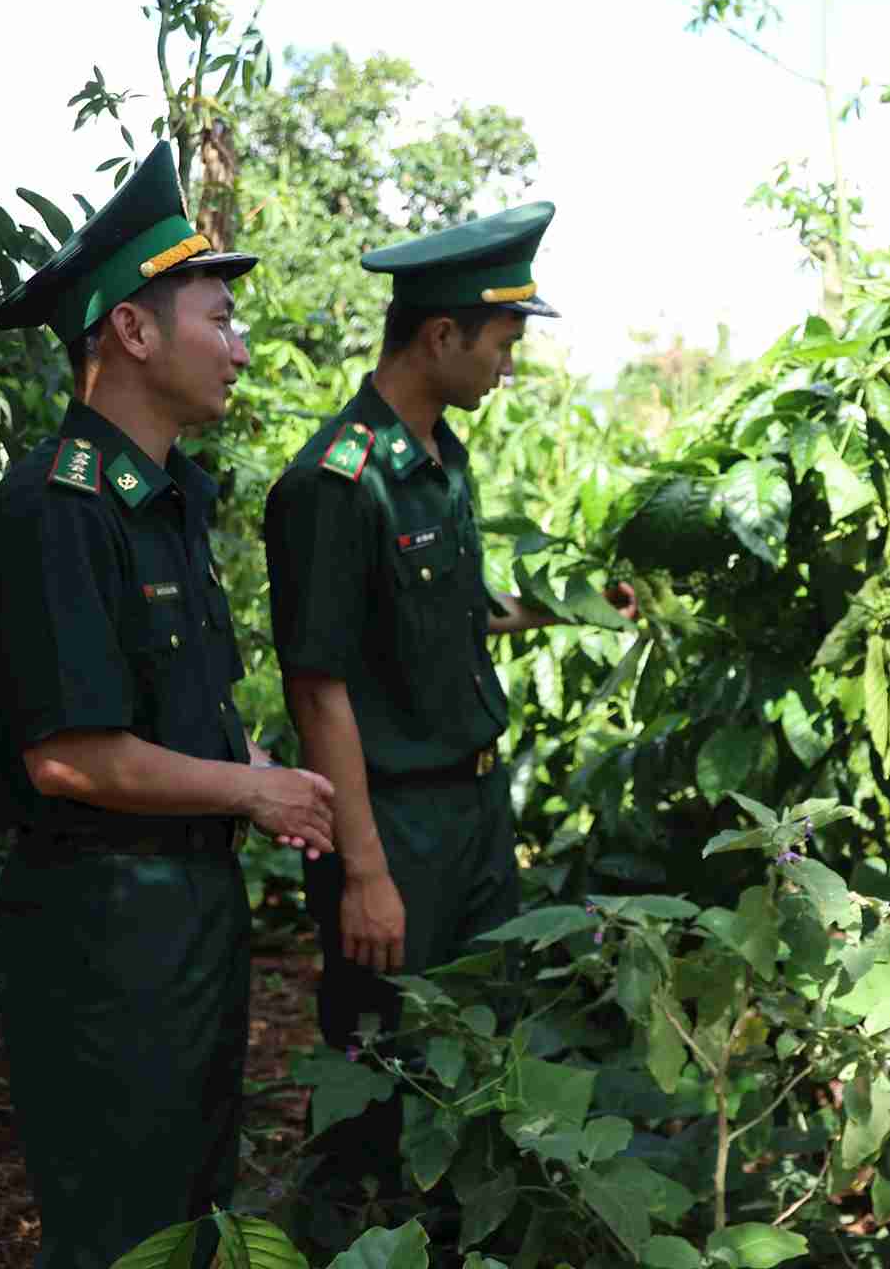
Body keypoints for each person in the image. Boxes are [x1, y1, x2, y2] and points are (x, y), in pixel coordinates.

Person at [0, 141, 337, 1269]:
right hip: (104, 932)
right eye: (218, 317)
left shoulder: (164, 499)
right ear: (132, 329)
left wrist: (241, 765)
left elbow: (157, 715)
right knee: (119, 1225)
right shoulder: (56, 508)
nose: (238, 343)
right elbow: (70, 758)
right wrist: (255, 787)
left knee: (185, 1213)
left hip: (185, 916)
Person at [262, 202, 635, 1135]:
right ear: (440, 335)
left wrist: (571, 606)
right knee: (381, 1071)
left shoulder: (440, 457)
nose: (508, 368)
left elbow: (451, 619)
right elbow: (319, 687)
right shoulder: (335, 484)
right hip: (392, 819)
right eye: (503, 345)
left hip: (471, 811)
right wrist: (364, 872)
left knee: (474, 1058)